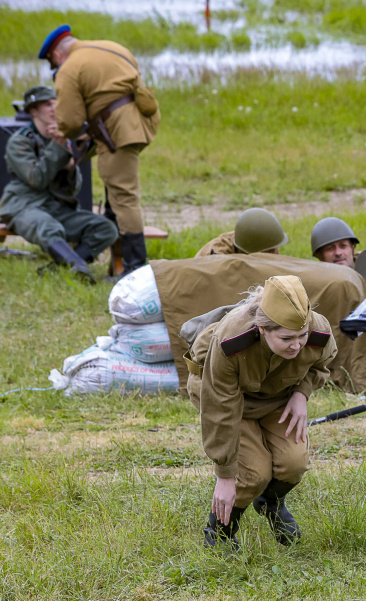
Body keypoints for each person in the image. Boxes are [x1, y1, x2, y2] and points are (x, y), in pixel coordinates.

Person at [184, 275, 338, 548]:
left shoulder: (317, 328)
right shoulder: (232, 341)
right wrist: (225, 475)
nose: (297, 345)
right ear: (263, 330)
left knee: (294, 463)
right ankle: (219, 532)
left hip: (276, 395)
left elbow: (321, 364)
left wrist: (302, 394)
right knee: (253, 474)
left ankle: (270, 503)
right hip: (229, 400)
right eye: (286, 338)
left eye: (302, 336)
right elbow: (220, 407)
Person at [39, 24, 160, 276]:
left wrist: (62, 132)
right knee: (116, 190)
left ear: (57, 55)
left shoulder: (69, 69)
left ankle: (134, 272)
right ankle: (116, 257)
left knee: (124, 198)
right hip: (140, 121)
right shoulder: (111, 47)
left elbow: (70, 122)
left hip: (118, 131)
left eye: (53, 62)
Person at [0, 85, 117, 283]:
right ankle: (77, 267)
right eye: (47, 104)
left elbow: (74, 190)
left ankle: (59, 268)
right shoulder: (19, 141)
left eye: (57, 103)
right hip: (24, 206)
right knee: (48, 226)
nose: (54, 108)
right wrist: (58, 147)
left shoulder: (65, 140)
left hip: (56, 206)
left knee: (106, 228)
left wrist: (70, 167)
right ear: (33, 111)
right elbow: (36, 179)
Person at [194, 208, 288, 257]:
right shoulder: (218, 255)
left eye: (274, 248)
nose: (275, 252)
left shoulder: (266, 243)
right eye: (270, 250)